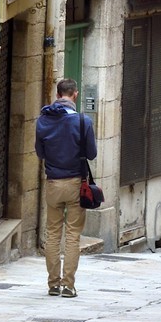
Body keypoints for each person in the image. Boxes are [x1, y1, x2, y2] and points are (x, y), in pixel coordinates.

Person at [35, 77, 97, 297]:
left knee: (52, 235)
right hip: (75, 183)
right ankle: (68, 285)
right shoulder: (82, 121)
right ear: (75, 94)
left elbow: (40, 153)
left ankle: (53, 284)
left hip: (53, 182)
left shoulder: (43, 120)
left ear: (57, 93)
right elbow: (91, 153)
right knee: (72, 236)